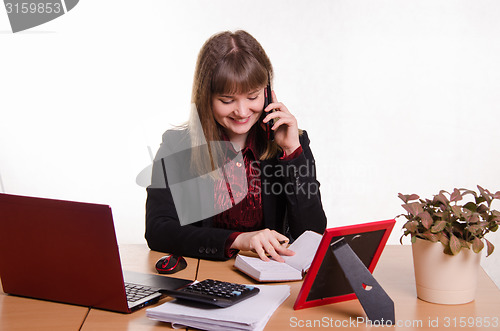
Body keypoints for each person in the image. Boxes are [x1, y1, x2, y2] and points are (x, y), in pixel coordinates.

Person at [145, 30, 326, 262]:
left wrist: (292, 153)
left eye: (252, 97)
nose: (242, 112)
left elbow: (312, 235)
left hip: (271, 274)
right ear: (206, 97)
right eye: (227, 100)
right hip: (204, 275)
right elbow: (158, 230)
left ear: (268, 92)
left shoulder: (293, 142)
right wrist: (239, 239)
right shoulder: (176, 146)